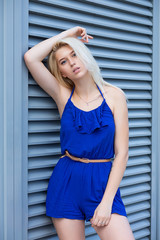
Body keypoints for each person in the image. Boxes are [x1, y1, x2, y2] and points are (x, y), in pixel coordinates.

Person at [24, 26, 135, 240]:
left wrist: (106, 203)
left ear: (84, 55)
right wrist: (69, 34)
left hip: (102, 182)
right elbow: (31, 58)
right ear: (61, 72)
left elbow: (122, 154)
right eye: (63, 61)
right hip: (66, 180)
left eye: (75, 54)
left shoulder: (114, 96)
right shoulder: (63, 95)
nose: (72, 62)